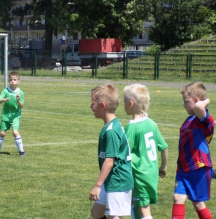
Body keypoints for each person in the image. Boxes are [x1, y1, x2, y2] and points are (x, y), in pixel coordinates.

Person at [89, 84, 134, 219]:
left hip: (117, 180)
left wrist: (97, 185)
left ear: (102, 106)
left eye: (92, 104)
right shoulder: (111, 126)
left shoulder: (112, 131)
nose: (91, 107)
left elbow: (109, 161)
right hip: (111, 180)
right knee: (96, 213)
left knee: (113, 216)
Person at [123, 84, 168, 219]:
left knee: (144, 209)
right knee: (134, 203)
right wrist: (163, 166)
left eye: (124, 102)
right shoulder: (151, 123)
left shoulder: (132, 127)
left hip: (139, 174)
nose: (123, 105)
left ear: (130, 104)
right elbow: (164, 147)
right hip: (152, 172)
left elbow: (125, 152)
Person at [172, 82, 214, 219]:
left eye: (186, 102)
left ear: (196, 101)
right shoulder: (189, 120)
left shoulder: (204, 120)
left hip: (198, 168)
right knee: (178, 197)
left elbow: (198, 106)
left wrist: (206, 100)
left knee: (198, 203)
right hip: (184, 169)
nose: (184, 105)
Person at [0, 71, 25, 157]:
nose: (12, 81)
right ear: (9, 81)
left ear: (18, 81)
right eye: (11, 80)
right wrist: (3, 100)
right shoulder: (5, 90)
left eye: (15, 79)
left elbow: (21, 106)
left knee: (15, 132)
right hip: (5, 116)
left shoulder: (20, 93)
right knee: (2, 133)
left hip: (15, 116)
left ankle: (21, 151)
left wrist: (18, 100)